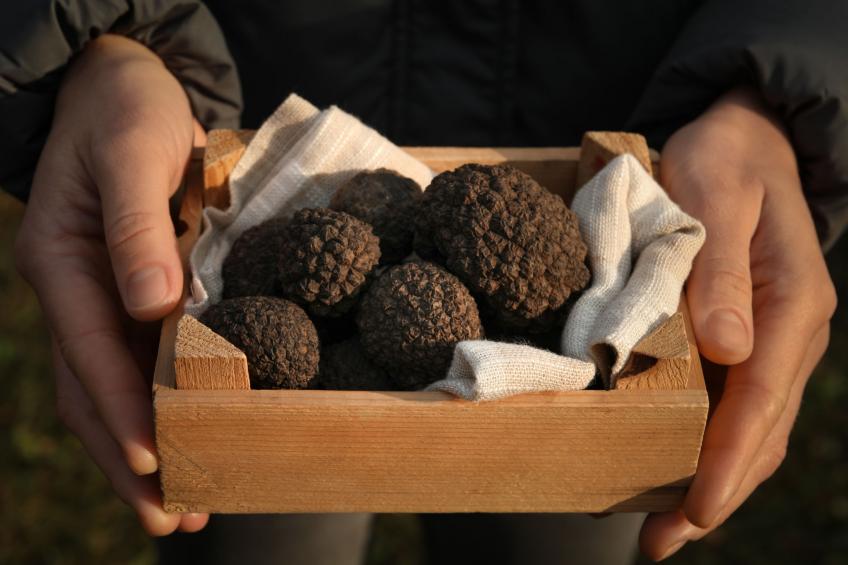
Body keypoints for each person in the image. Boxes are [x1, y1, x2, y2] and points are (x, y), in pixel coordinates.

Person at [1, 1, 844, 563]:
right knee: (261, 523)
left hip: (629, 85)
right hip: (233, 74)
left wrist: (770, 92)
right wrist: (104, 36)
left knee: (559, 525)